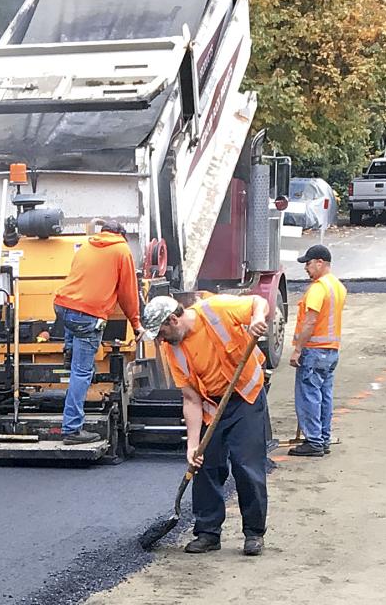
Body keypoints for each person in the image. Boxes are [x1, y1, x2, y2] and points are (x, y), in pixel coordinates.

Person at [143, 291, 272, 556]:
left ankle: (253, 533)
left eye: (161, 332)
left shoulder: (216, 309)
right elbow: (190, 399)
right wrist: (193, 446)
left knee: (246, 465)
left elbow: (258, 302)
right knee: (206, 465)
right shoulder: (173, 351)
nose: (160, 340)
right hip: (213, 406)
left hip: (245, 397)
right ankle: (208, 533)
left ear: (173, 320)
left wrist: (258, 317)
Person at [50, 219, 143, 444]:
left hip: (63, 305)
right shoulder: (122, 250)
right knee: (81, 373)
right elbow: (128, 293)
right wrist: (136, 323)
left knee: (74, 329)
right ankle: (71, 429)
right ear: (121, 234)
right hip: (87, 316)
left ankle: (69, 351)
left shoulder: (86, 246)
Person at [287, 245, 345, 458]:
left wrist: (298, 350)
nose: (306, 268)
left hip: (314, 351)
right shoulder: (338, 287)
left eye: (308, 264)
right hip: (331, 351)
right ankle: (323, 437)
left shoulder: (318, 288)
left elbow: (310, 322)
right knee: (324, 395)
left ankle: (313, 441)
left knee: (309, 395)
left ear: (320, 262)